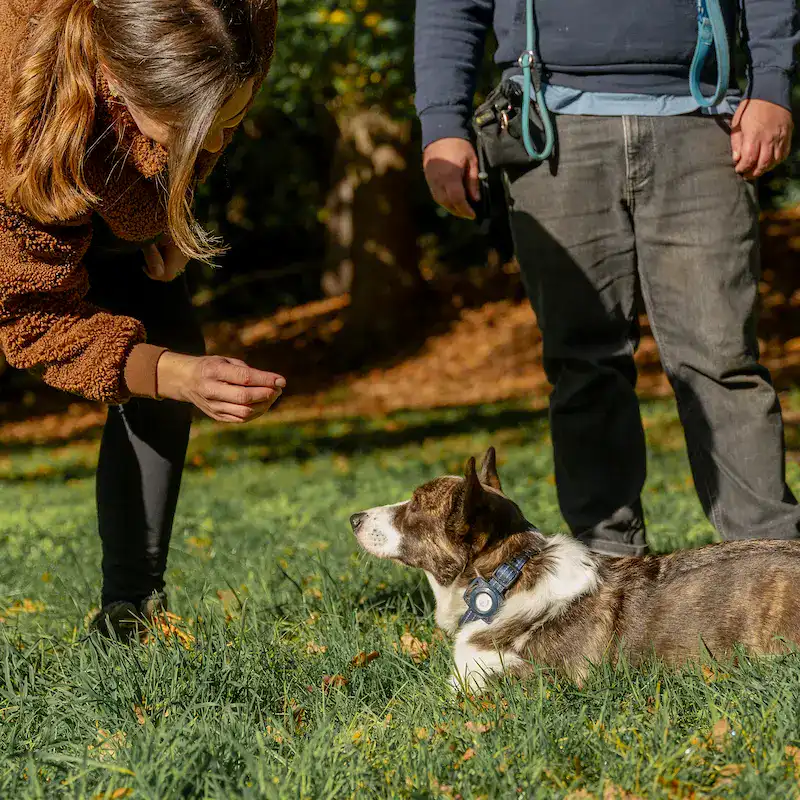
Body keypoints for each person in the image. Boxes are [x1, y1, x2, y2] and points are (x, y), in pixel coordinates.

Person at [416, 0, 799, 556]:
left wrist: (772, 86)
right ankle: (607, 571)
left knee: (723, 360)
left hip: (702, 120)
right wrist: (441, 125)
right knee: (583, 365)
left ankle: (770, 568)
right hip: (549, 128)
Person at [0, 0, 282, 636]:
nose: (212, 142)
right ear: (121, 85)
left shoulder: (243, 15)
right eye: (188, 134)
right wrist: (175, 376)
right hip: (44, 182)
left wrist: (176, 207)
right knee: (166, 365)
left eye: (227, 119)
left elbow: (211, 111)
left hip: (130, 180)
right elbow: (35, 319)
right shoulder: (24, 119)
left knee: (172, 335)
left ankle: (130, 606)